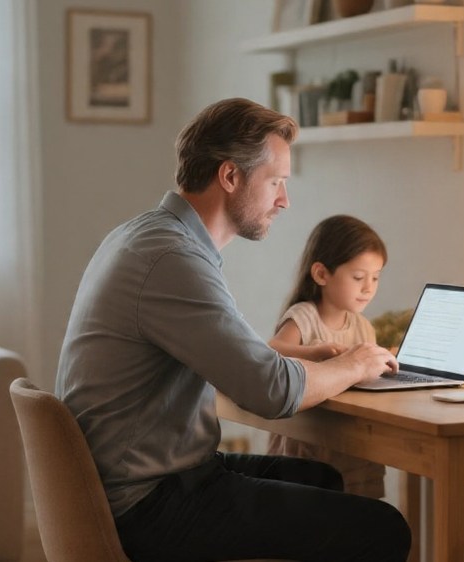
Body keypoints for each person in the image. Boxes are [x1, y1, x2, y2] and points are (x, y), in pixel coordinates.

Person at [54, 97, 410, 562]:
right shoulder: (173, 260)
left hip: (145, 478)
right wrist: (356, 361)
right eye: (277, 182)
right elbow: (270, 392)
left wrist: (311, 357)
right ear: (230, 176)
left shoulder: (146, 236)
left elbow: (238, 358)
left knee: (320, 477)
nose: (285, 199)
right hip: (147, 501)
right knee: (383, 529)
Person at [267, 214, 389, 499]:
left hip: (349, 439)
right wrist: (316, 352)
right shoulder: (304, 317)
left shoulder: (363, 327)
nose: (368, 288)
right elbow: (271, 351)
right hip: (309, 440)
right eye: (358, 277)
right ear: (322, 274)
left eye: (375, 278)